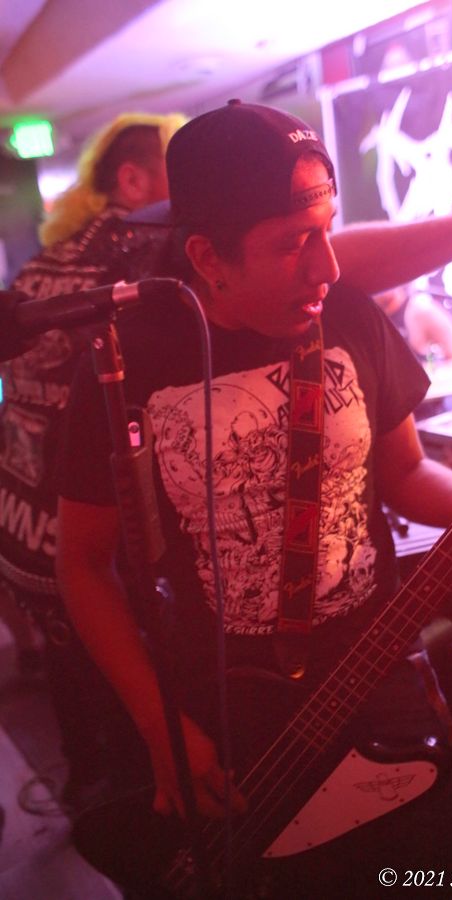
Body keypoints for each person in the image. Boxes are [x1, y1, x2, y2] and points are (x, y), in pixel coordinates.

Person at [56, 101, 452, 899]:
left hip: (375, 671)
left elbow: (407, 472)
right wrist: (158, 727)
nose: (329, 267)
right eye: (292, 242)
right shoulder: (123, 360)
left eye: (328, 229)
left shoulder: (345, 316)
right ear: (207, 256)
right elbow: (82, 566)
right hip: (225, 712)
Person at [0, 111, 186, 806]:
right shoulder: (137, 259)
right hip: (96, 541)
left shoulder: (42, 262)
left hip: (25, 526)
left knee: (69, 674)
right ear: (133, 181)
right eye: (180, 175)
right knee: (128, 696)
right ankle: (138, 812)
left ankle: (86, 793)